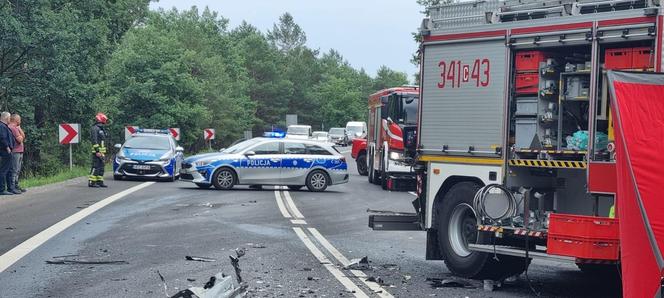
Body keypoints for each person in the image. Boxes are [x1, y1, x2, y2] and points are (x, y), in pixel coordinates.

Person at [89, 112, 108, 188]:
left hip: (102, 152)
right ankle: (91, 182)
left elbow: (103, 141)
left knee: (101, 168)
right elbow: (94, 140)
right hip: (97, 152)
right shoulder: (95, 128)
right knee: (95, 166)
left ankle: (99, 182)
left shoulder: (101, 129)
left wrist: (103, 152)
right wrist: (97, 151)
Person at [8, 114, 25, 193]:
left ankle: (16, 185)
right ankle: (13, 186)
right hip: (15, 151)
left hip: (19, 151)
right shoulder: (13, 128)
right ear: (16, 120)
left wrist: (20, 128)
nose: (20, 121)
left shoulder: (16, 128)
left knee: (17, 170)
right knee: (14, 170)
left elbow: (23, 136)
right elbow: (20, 140)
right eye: (20, 119)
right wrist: (20, 135)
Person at [0, 112, 15, 195]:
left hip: (8, 150)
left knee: (9, 170)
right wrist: (7, 147)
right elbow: (2, 138)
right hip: (5, 150)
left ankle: (10, 188)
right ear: (6, 118)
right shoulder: (1, 126)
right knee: (4, 170)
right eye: (9, 118)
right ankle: (2, 189)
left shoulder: (5, 126)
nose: (10, 119)